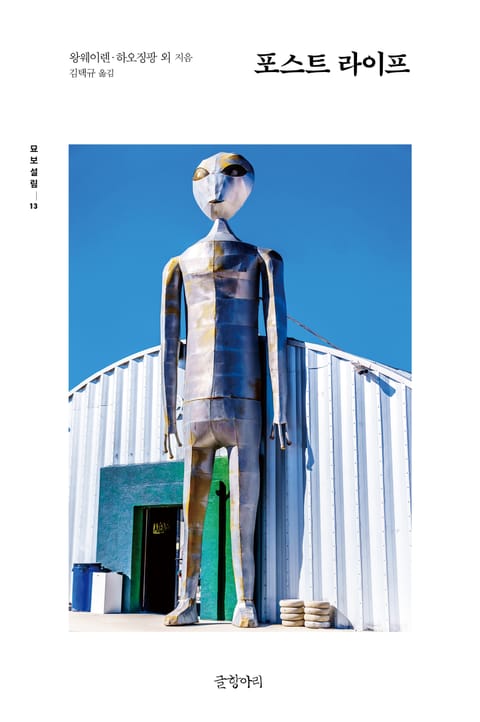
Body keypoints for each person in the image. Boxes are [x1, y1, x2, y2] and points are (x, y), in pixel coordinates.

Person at [161, 151, 290, 627]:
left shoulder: (260, 258)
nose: (216, 187)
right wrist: (167, 413)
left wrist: (280, 407)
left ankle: (245, 601)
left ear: (245, 185)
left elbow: (273, 333)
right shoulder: (179, 264)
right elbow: (167, 341)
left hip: (245, 398)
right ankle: (187, 599)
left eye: (230, 175)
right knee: (191, 509)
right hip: (196, 401)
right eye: (205, 177)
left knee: (243, 511)